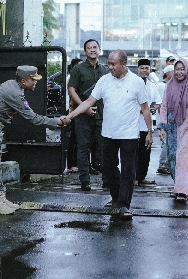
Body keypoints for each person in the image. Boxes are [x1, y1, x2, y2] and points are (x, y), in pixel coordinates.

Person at [66, 51, 152, 219]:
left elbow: (145, 108)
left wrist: (150, 131)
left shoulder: (136, 82)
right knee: (109, 168)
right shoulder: (104, 80)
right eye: (109, 64)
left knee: (128, 170)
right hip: (108, 133)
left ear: (124, 64)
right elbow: (89, 102)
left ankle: (124, 204)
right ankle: (116, 197)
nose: (110, 67)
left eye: (113, 64)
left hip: (129, 134)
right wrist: (70, 116)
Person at [0, 66, 66, 214]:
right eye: (33, 80)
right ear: (24, 81)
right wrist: (58, 122)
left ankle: (0, 197)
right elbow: (34, 119)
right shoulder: (15, 93)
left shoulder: (13, 86)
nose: (35, 82)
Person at [159, 59, 188, 202]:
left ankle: (184, 191)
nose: (179, 72)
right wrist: (162, 127)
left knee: (185, 158)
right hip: (172, 126)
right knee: (173, 158)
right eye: (177, 69)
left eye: (182, 69)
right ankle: (178, 187)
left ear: (187, 70)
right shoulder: (169, 86)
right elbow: (164, 107)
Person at [68, 39, 108, 192]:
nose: (92, 50)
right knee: (83, 148)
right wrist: (83, 107)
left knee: (103, 149)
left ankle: (106, 181)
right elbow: (71, 89)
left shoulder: (105, 70)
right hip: (83, 117)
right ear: (85, 51)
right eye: (89, 48)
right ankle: (85, 181)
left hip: (102, 115)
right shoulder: (78, 70)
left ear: (99, 50)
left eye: (95, 47)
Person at [135, 59, 156, 186]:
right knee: (134, 153)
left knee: (145, 153)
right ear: (137, 70)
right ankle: (134, 177)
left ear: (150, 70)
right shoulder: (132, 83)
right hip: (134, 125)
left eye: (146, 68)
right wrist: (142, 109)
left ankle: (142, 177)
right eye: (142, 68)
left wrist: (153, 108)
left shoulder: (152, 85)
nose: (144, 70)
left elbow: (157, 102)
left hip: (147, 125)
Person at [156, 64, 175, 177]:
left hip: (169, 119)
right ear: (168, 73)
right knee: (166, 143)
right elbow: (160, 104)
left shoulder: (169, 85)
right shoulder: (162, 86)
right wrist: (163, 121)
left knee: (169, 142)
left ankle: (166, 164)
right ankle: (163, 165)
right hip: (164, 119)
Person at [65, 58, 82, 173]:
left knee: (77, 138)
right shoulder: (71, 79)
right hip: (71, 111)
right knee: (73, 139)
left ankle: (75, 163)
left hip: (76, 110)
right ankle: (71, 164)